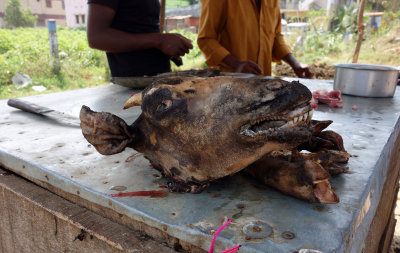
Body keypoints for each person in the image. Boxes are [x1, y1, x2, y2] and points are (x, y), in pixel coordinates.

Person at [197, 0, 314, 78]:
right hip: (230, 86)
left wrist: (295, 64)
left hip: (263, 84)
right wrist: (237, 64)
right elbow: (206, 39)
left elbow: (275, 36)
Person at [87, 0, 193, 78]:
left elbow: (142, 28)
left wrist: (167, 43)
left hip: (157, 79)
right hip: (132, 84)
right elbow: (96, 37)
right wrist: (160, 40)